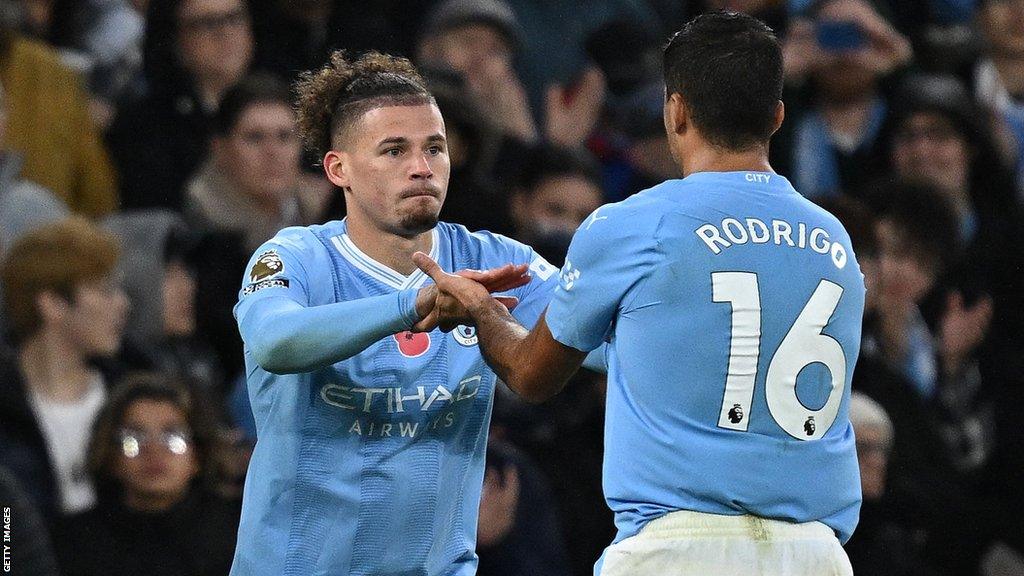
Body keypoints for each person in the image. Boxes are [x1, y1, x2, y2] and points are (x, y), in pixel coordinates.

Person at [416, 12, 864, 575]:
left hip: (680, 548)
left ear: (675, 110)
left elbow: (532, 375)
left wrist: (482, 312)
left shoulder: (635, 224)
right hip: (816, 554)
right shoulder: (834, 242)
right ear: (776, 116)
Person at [229, 50, 604, 576]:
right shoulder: (295, 257)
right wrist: (412, 305)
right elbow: (274, 341)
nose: (421, 168)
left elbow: (609, 347)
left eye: (435, 148)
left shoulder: (498, 261)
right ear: (340, 169)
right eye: (393, 150)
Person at [0, 217, 129, 524]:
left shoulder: (129, 394)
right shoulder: (5, 406)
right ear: (53, 304)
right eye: (104, 289)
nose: (123, 303)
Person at [52, 373, 240, 576]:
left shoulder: (239, 532)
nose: (153, 450)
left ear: (197, 454)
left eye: (173, 436)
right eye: (133, 438)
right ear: (110, 455)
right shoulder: (71, 542)